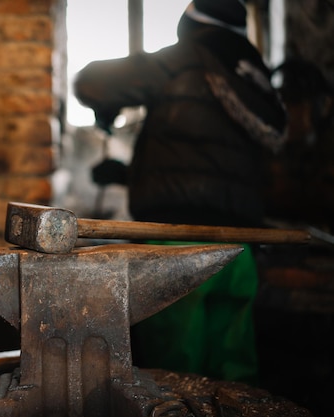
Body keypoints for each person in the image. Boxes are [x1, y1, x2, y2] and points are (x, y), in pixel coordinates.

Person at [73, 0, 287, 385]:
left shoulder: (186, 56)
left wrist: (107, 106)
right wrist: (126, 174)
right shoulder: (253, 74)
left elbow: (91, 82)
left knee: (173, 367)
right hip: (240, 244)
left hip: (178, 240)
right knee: (232, 365)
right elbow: (210, 163)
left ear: (190, 24)